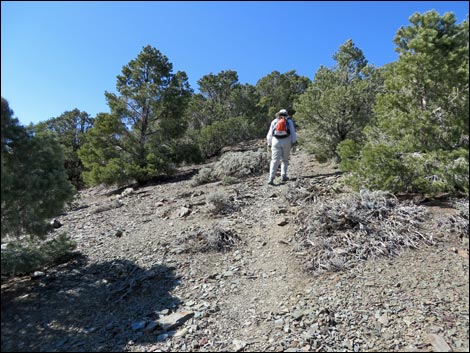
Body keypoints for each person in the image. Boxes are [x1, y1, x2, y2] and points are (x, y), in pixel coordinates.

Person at [266, 109, 297, 185]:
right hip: (286, 141)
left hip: (275, 141)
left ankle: (271, 178)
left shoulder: (274, 121)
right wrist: (294, 142)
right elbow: (293, 132)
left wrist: (269, 144)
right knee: (285, 159)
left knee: (274, 160)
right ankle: (283, 175)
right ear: (286, 114)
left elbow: (270, 134)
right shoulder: (289, 121)